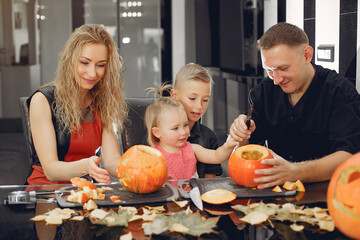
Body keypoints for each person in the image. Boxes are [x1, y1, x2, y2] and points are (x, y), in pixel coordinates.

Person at [229, 22, 360, 189]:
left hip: (330, 194)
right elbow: (241, 155)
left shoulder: (340, 92)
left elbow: (349, 157)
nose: (276, 80)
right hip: (275, 194)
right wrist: (241, 134)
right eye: (269, 70)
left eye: (282, 68)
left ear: (307, 55)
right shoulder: (262, 93)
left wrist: (295, 171)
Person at [27, 24, 128, 185]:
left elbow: (111, 161)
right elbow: (51, 170)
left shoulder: (102, 102)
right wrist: (85, 166)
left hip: (84, 188)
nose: (92, 73)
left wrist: (138, 169)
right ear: (70, 60)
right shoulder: (42, 100)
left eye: (100, 65)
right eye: (84, 62)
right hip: (46, 191)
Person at [145, 85, 237, 180]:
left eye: (185, 125)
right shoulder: (152, 155)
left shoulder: (192, 149)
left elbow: (217, 156)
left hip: (192, 194)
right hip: (167, 195)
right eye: (175, 128)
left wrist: (228, 146)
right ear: (157, 132)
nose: (183, 132)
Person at [170, 63, 223, 178]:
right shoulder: (157, 132)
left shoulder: (209, 138)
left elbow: (209, 185)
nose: (199, 106)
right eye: (192, 98)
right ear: (174, 95)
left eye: (205, 100)